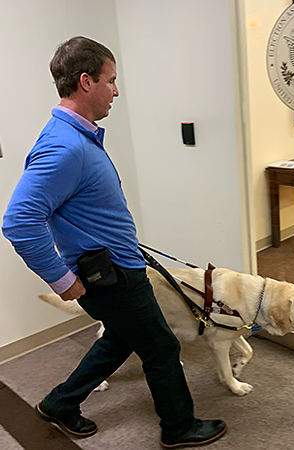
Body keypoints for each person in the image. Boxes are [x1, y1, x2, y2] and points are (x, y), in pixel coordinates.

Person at [2, 36, 226, 448]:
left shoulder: (76, 137)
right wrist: (61, 280)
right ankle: (178, 427)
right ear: (86, 82)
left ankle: (58, 404)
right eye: (112, 80)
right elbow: (19, 221)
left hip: (117, 265)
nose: (116, 91)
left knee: (120, 339)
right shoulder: (63, 146)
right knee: (160, 347)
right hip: (111, 278)